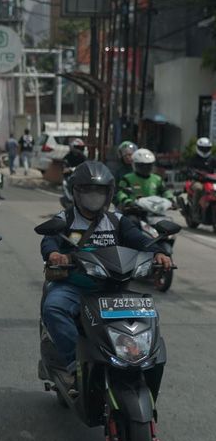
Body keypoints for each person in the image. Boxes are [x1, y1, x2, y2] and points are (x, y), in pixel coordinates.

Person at [40, 161, 172, 390]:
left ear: (108, 194)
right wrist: (53, 253)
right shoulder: (67, 219)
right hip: (76, 287)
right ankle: (74, 367)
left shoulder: (117, 220)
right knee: (54, 308)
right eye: (89, 191)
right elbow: (49, 239)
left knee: (148, 315)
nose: (94, 197)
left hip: (114, 288)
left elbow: (140, 240)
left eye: (99, 192)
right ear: (77, 193)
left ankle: (140, 363)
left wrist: (159, 253)